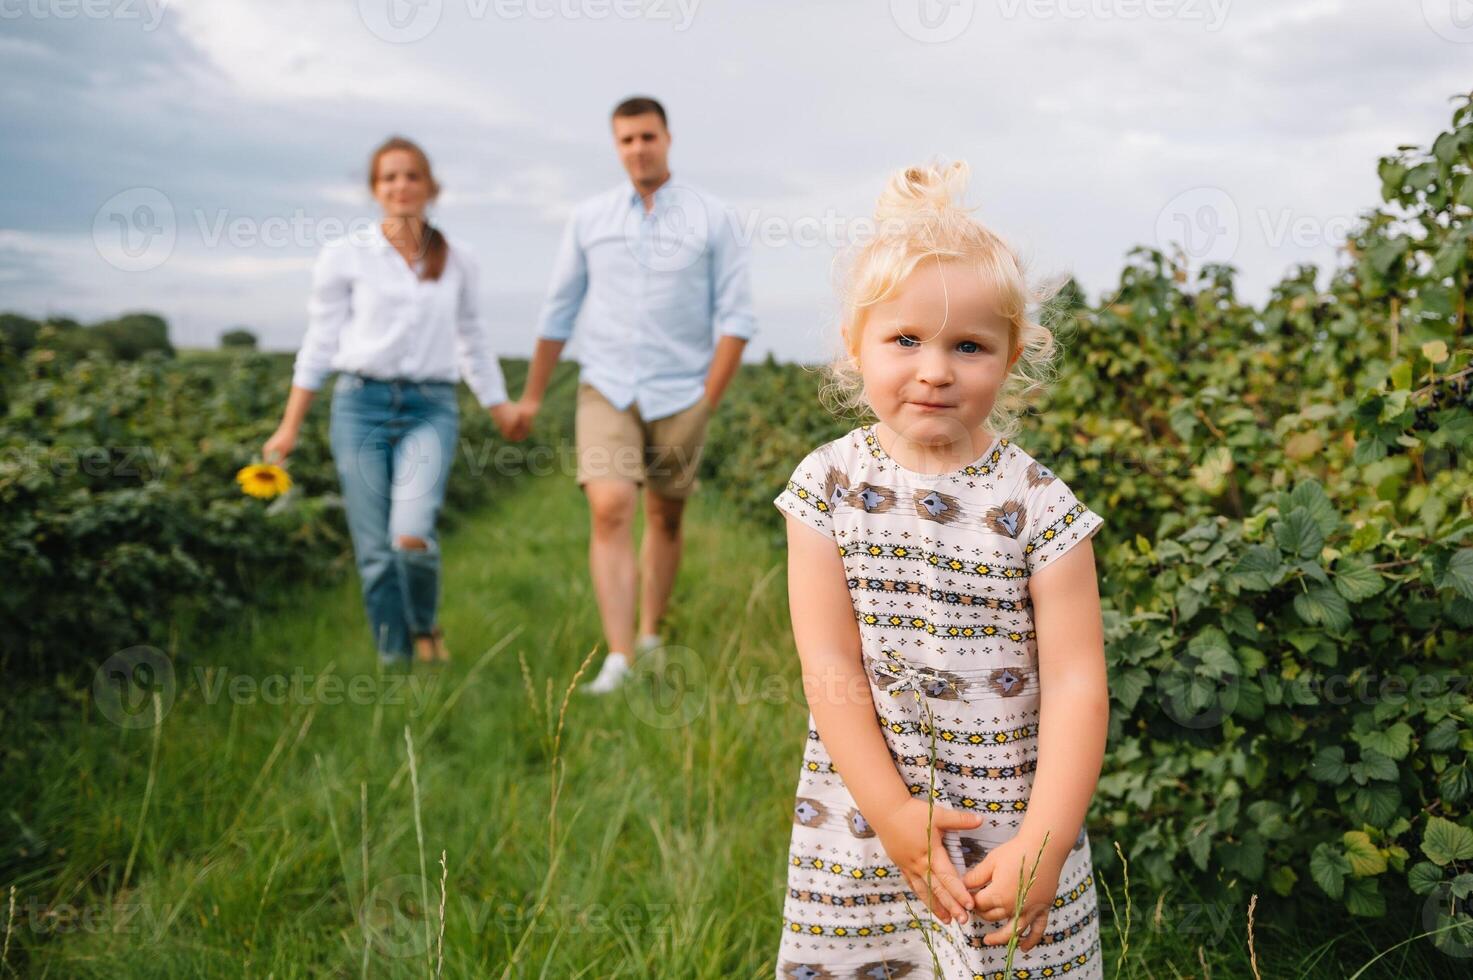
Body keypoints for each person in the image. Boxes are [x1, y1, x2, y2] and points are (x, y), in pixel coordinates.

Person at [771, 161, 1108, 977]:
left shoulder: (1038, 503)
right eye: (905, 340)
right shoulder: (827, 486)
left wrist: (1043, 843)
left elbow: (1075, 683)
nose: (934, 369)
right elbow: (829, 665)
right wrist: (890, 812)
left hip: (1008, 821)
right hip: (865, 810)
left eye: (968, 346)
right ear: (856, 344)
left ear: (1010, 356)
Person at [508, 96, 755, 694]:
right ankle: (619, 658)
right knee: (610, 506)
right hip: (607, 388)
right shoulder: (589, 218)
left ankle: (650, 633)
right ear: (615, 146)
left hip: (681, 394)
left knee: (665, 518)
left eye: (647, 136)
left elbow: (737, 317)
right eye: (626, 140)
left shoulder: (712, 217)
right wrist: (533, 396)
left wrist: (707, 400)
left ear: (667, 138)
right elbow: (559, 310)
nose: (637, 148)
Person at [263, 136, 523, 667]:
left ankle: (425, 626)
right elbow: (319, 343)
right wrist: (289, 426)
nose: (401, 186)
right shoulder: (345, 256)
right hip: (360, 407)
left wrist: (500, 406)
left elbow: (471, 337)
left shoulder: (459, 260)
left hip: (431, 408)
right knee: (375, 550)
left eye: (411, 176)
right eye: (389, 178)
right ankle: (393, 659)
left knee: (411, 533)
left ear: (431, 187)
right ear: (375, 190)